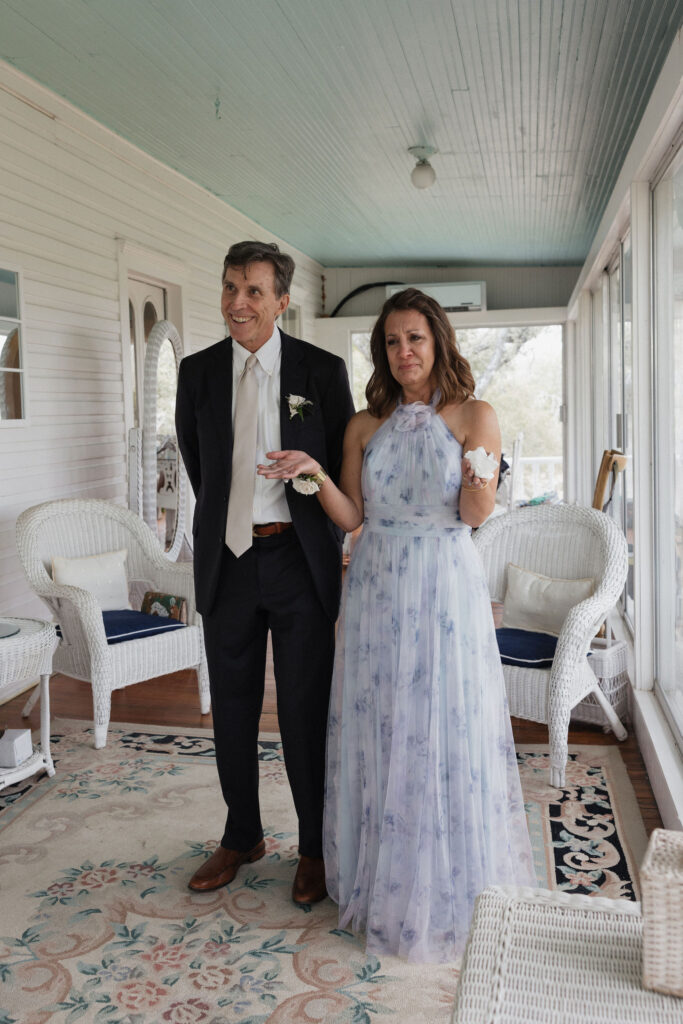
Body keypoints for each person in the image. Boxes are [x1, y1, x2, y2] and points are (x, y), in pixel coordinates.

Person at [258, 287, 536, 961]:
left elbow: (473, 517)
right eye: (390, 341)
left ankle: (446, 882)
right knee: (381, 723)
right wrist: (312, 472)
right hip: (378, 583)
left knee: (441, 723)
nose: (403, 351)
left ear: (437, 341)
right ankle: (375, 872)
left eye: (414, 337)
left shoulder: (477, 414)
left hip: (443, 583)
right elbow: (351, 517)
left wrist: (479, 479)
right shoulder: (362, 424)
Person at [175, 240, 354, 904]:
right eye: (228, 288)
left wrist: (303, 494)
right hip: (228, 560)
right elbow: (201, 467)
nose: (237, 303)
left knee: (304, 710)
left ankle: (312, 847)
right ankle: (241, 833)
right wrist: (234, 521)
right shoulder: (195, 374)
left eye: (253, 291)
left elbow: (335, 468)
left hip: (299, 561)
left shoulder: (321, 371)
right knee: (233, 709)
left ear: (282, 301)